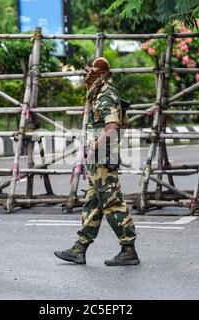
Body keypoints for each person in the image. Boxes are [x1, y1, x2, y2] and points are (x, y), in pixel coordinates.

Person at [54, 57, 140, 266]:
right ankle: (79, 248)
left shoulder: (107, 94)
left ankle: (128, 249)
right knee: (93, 203)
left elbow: (112, 127)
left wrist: (97, 145)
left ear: (101, 74)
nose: (87, 75)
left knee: (111, 202)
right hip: (98, 158)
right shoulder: (99, 93)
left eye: (91, 72)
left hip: (103, 157)